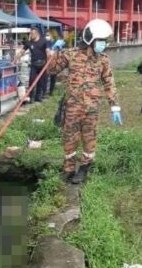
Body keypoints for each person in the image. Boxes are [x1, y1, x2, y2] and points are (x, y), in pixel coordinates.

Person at [49, 19, 122, 184]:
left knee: (89, 139)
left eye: (104, 41)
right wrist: (55, 52)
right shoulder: (71, 54)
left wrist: (115, 107)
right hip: (72, 107)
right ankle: (68, 169)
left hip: (91, 109)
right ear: (90, 39)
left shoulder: (103, 60)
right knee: (69, 138)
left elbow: (109, 84)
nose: (103, 44)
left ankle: (84, 169)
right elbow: (51, 70)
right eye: (101, 40)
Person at [15, 27, 51, 102]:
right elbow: (22, 51)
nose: (31, 35)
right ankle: (31, 97)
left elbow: (47, 51)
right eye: (30, 33)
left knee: (41, 81)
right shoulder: (29, 42)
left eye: (32, 33)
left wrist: (49, 59)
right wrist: (16, 58)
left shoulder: (44, 41)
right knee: (32, 80)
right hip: (34, 64)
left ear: (37, 33)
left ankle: (38, 97)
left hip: (42, 63)